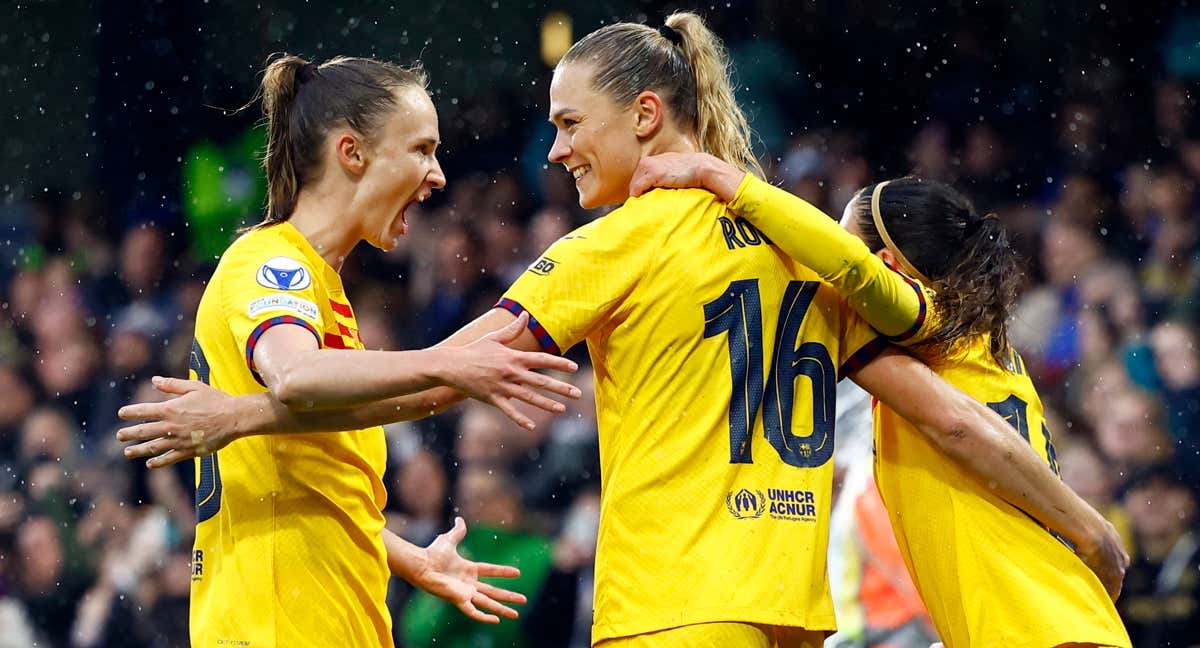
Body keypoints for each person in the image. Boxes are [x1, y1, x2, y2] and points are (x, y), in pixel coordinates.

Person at [119, 15, 1125, 648]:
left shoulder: (618, 244)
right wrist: (1084, 522)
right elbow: (951, 416)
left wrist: (250, 409)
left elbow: (451, 376)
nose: (552, 150)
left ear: (645, 118)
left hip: (670, 610)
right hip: (790, 612)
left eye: (568, 124)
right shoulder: (796, 245)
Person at [120, 54, 585, 648]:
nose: (438, 174)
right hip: (274, 629)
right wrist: (445, 361)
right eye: (420, 150)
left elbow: (309, 479)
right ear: (352, 153)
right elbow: (293, 375)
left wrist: (405, 556)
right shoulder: (272, 264)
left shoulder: (324, 291)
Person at [629, 155, 1132, 646]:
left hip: (1035, 627)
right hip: (1051, 622)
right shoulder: (980, 350)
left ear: (888, 267)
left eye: (839, 236)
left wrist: (717, 175)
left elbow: (848, 267)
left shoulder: (933, 325)